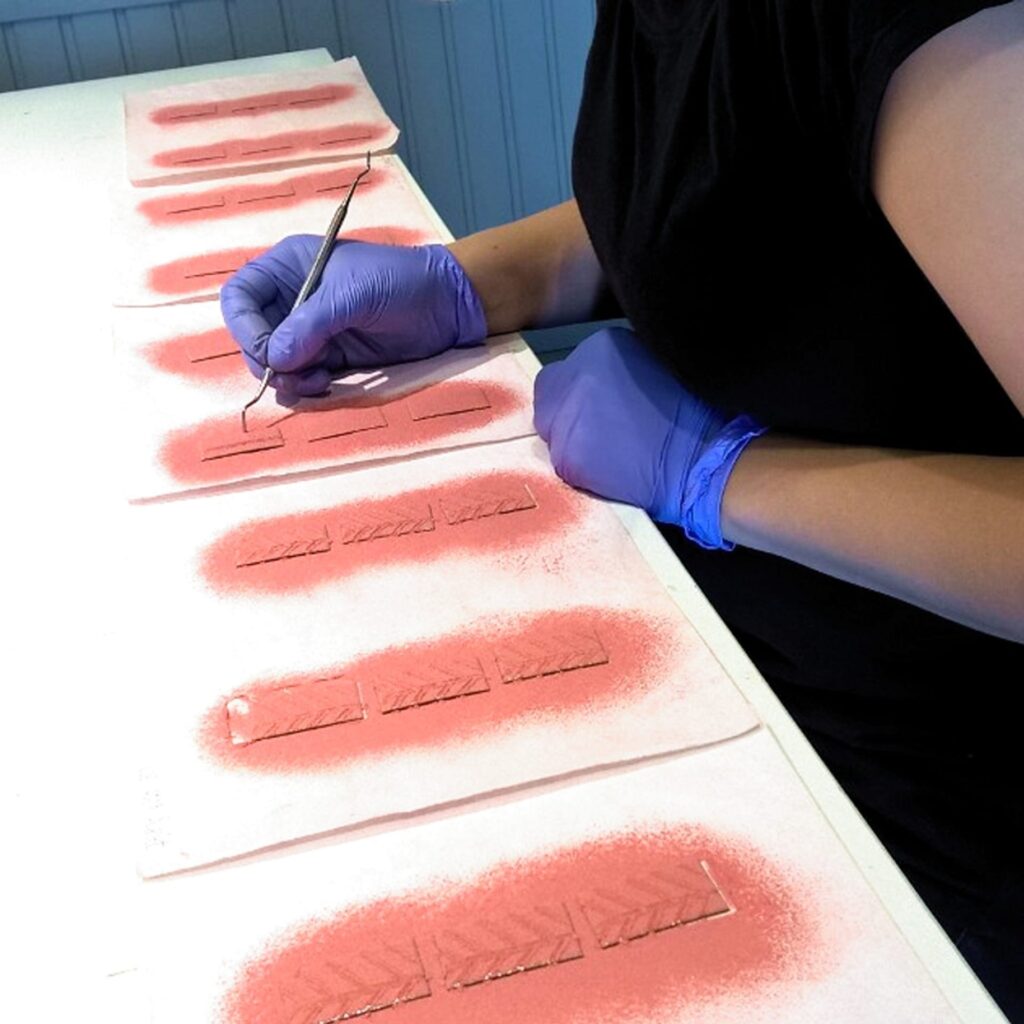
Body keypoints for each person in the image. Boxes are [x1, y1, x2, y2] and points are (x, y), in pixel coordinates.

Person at [221, 0, 1024, 1013]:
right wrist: (475, 282)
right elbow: (750, 193)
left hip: (937, 820)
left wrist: (723, 476)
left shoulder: (945, 32)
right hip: (734, 673)